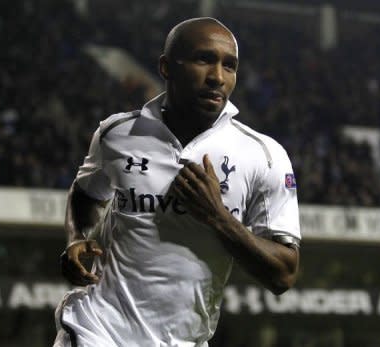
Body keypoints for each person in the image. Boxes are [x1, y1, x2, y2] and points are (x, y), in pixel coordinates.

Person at [54, 17, 300, 347]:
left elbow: (283, 274)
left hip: (183, 340)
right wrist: (77, 237)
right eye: (204, 60)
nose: (218, 77)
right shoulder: (117, 134)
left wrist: (218, 218)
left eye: (229, 66)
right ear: (167, 67)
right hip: (97, 329)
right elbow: (85, 194)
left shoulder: (263, 155)